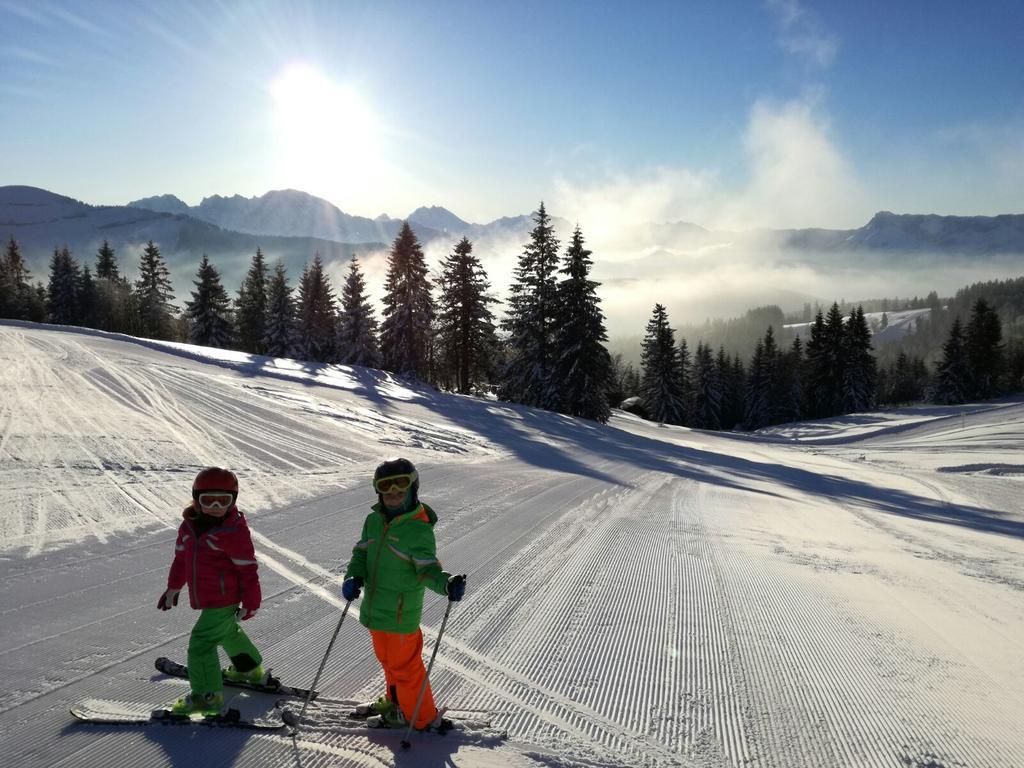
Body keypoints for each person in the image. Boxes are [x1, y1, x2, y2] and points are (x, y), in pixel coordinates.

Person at [342, 458, 467, 731]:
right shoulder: (373, 520)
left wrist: (446, 584)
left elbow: (427, 570)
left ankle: (421, 718)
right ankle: (396, 703)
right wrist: (354, 575)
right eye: (386, 489)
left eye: (401, 488)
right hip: (375, 612)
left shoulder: (418, 529)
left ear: (413, 488)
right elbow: (361, 553)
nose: (393, 494)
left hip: (400, 616)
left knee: (407, 670)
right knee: (388, 663)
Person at [157, 467, 265, 715]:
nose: (216, 506)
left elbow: (248, 568)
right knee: (228, 633)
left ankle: (207, 697)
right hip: (208, 596)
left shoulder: (232, 531)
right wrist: (174, 586)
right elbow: (182, 560)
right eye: (208, 500)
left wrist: (251, 600)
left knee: (201, 644)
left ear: (233, 501)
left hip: (224, 598)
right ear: (196, 498)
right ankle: (250, 670)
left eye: (223, 500)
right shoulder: (189, 527)